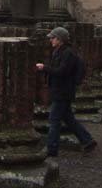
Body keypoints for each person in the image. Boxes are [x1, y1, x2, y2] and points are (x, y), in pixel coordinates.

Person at [35, 26, 96, 157]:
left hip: (63, 91)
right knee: (68, 118)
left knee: (54, 119)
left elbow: (62, 72)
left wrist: (44, 68)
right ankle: (87, 140)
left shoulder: (67, 53)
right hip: (61, 90)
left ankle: (52, 149)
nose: (51, 40)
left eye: (53, 38)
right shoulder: (59, 51)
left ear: (60, 39)